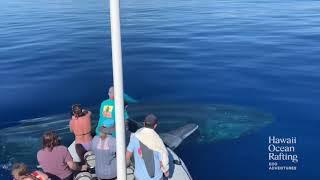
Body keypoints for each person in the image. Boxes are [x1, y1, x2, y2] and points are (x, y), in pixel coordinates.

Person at [126, 114, 170, 180]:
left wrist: (127, 164)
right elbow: (163, 161)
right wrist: (166, 171)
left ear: (144, 123)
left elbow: (128, 155)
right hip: (156, 177)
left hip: (139, 177)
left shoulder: (134, 137)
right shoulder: (158, 142)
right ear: (155, 126)